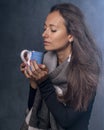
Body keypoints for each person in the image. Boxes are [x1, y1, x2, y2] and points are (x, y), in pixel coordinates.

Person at [20, 3, 102, 130]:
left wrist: (43, 82)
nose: (44, 34)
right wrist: (33, 83)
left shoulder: (87, 69)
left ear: (71, 35)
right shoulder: (46, 59)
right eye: (44, 28)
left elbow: (67, 120)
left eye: (52, 30)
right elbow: (33, 110)